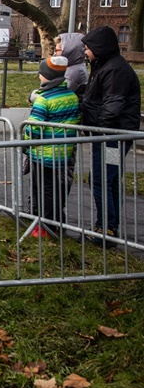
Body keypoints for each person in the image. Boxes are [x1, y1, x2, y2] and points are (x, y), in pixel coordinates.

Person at [81, 26, 141, 238]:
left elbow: (112, 107)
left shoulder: (115, 70)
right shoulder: (104, 66)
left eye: (88, 48)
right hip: (108, 135)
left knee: (102, 179)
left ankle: (105, 227)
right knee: (108, 178)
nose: (86, 52)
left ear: (99, 47)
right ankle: (108, 225)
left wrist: (96, 129)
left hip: (111, 137)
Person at [23, 56, 81, 237]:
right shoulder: (71, 96)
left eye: (41, 73)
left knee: (42, 190)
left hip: (43, 153)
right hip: (63, 152)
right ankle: (55, 222)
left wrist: (24, 140)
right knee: (56, 189)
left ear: (47, 76)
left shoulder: (43, 99)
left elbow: (34, 128)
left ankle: (43, 226)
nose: (39, 76)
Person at [53, 33, 88, 99]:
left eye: (57, 50)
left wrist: (34, 96)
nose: (55, 54)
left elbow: (58, 97)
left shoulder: (73, 73)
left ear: (68, 51)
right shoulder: (76, 67)